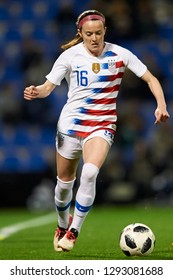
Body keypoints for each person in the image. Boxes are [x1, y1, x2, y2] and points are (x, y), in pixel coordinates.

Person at [24, 9, 170, 252]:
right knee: (64, 184)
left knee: (90, 173)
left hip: (102, 125)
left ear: (105, 32)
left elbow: (151, 79)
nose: (94, 38)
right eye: (89, 34)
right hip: (70, 126)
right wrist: (36, 91)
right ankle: (62, 224)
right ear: (80, 33)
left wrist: (161, 105)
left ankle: (73, 232)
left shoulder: (120, 54)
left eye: (98, 33)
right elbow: (48, 87)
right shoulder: (69, 56)